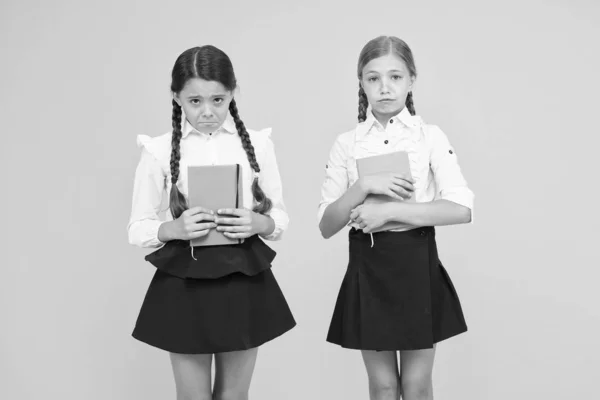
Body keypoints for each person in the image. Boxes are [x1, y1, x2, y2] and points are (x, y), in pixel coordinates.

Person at [128, 45, 295, 400]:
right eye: (195, 101)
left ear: (233, 93)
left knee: (234, 397)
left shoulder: (257, 145)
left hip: (243, 275)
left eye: (218, 100)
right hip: (185, 280)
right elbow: (137, 227)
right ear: (176, 98)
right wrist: (173, 229)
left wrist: (256, 223)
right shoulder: (158, 150)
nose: (207, 112)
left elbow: (279, 217)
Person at [318, 36, 474, 400]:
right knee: (384, 386)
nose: (384, 88)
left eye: (395, 77)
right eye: (373, 79)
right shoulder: (347, 143)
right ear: (361, 82)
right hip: (368, 265)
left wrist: (389, 210)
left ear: (412, 80)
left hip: (416, 263)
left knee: (416, 386)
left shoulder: (429, 137)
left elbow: (461, 208)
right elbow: (327, 225)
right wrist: (364, 186)